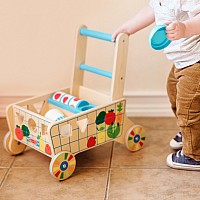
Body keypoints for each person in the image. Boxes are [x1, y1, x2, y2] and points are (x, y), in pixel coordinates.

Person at [112, 0, 200, 170]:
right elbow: (151, 9)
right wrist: (128, 27)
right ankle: (192, 134)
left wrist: (185, 28)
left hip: (195, 60)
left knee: (188, 107)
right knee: (173, 91)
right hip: (182, 60)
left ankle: (194, 154)